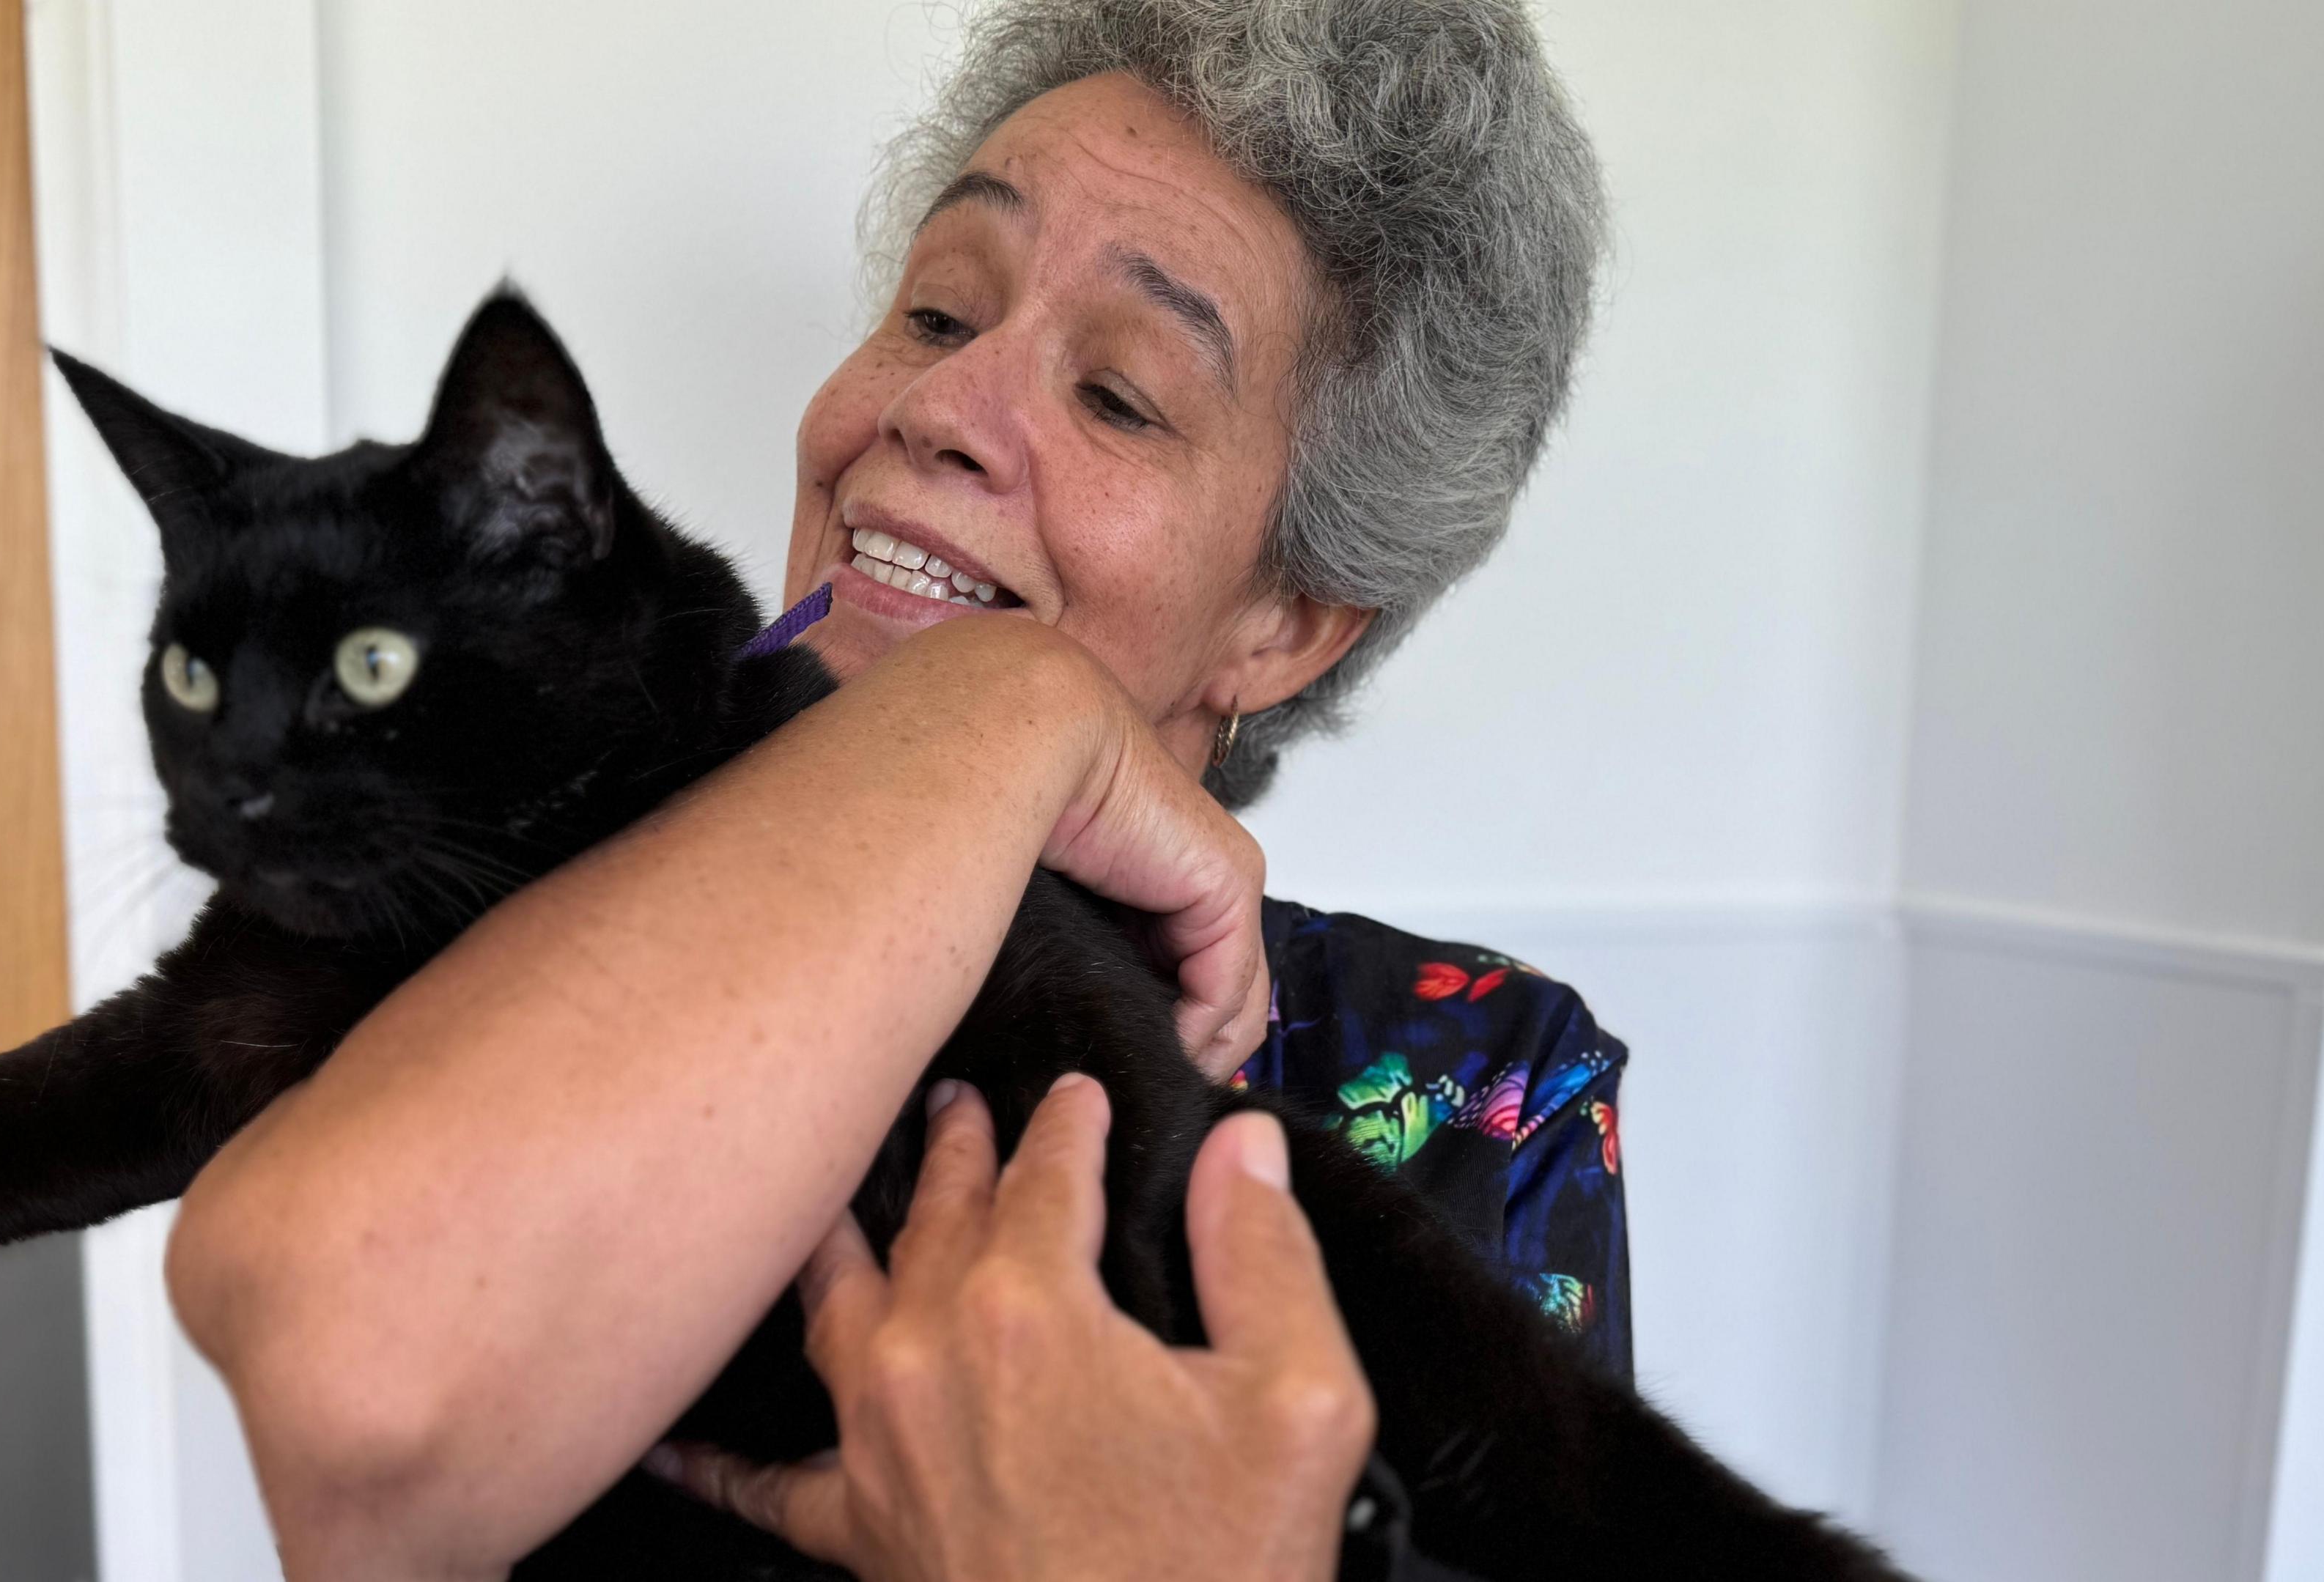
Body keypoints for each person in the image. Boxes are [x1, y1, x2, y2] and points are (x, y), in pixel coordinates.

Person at [166, 1, 1617, 1578]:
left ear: (1284, 624)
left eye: (1121, 396)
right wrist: (1008, 708)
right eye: (935, 314)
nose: (937, 408)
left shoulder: (1484, 1078)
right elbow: (345, 1368)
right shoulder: (488, 890)